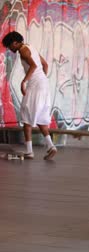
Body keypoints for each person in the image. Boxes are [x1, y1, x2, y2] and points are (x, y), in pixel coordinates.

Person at [2, 31, 57, 160]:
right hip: (44, 85)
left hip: (35, 86)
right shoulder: (31, 47)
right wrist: (41, 78)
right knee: (41, 119)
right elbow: (45, 65)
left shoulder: (23, 50)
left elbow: (33, 65)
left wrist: (24, 81)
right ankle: (51, 146)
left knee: (26, 118)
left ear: (15, 42)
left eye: (10, 46)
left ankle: (29, 152)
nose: (10, 49)